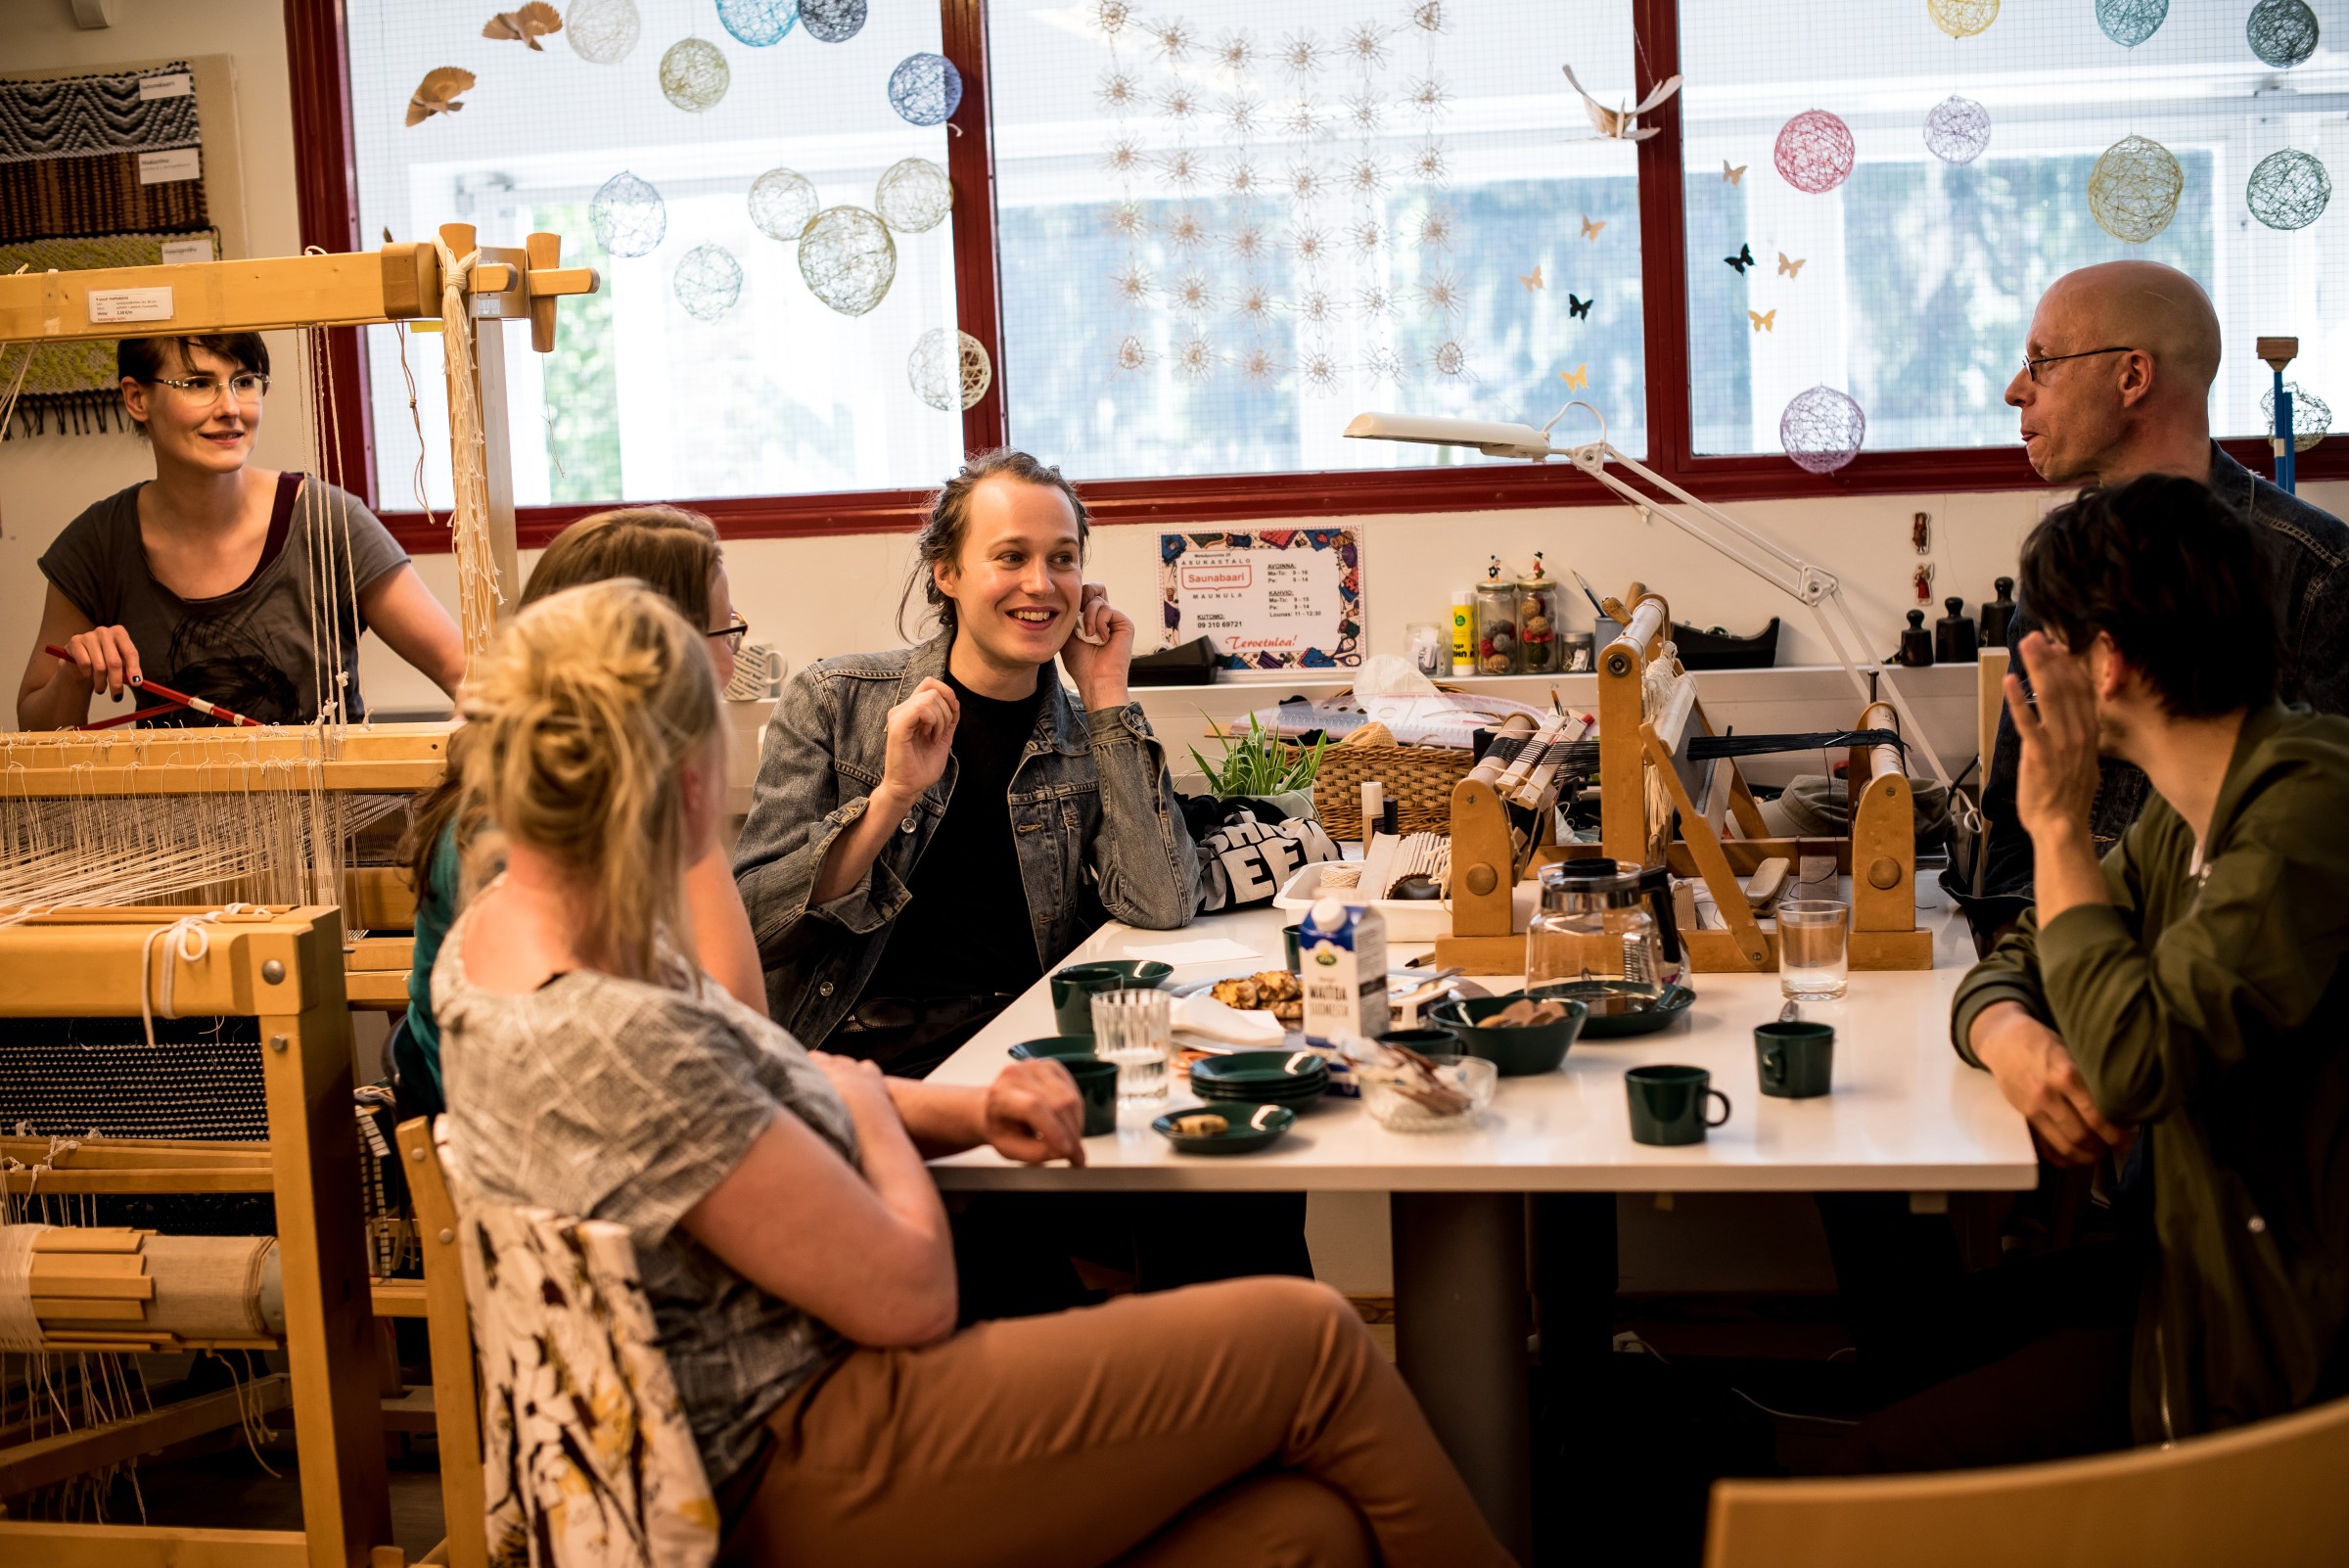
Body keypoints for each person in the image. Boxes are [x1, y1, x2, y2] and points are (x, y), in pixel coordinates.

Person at [435, 578, 1515, 1566]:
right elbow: (909, 1294)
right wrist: (870, 1107)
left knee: (1304, 1536)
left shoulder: (504, 947)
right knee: (1314, 1342)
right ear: (684, 782)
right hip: (790, 1449)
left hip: (729, 1423)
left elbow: (753, 1087)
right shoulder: (620, 1034)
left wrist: (971, 1108)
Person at [1845, 476, 2349, 1470]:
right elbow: (2025, 957)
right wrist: (2010, 1037)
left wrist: (2058, 828)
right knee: (1909, 1342)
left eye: (2048, 642)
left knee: (1873, 1456)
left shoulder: (2309, 805)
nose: (2033, 669)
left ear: (2105, 663)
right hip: (2191, 1276)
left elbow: (2131, 1063)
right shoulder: (2186, 809)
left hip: (2272, 1353)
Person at [735, 447, 1197, 1078]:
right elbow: (757, 926)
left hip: (1033, 1042)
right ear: (946, 571)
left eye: (1062, 558)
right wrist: (892, 797)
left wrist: (1106, 694)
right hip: (871, 1059)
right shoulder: (834, 699)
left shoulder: (1088, 728)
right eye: (1011, 557)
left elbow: (1161, 904)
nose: (1041, 584)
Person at [1972, 260, 2349, 926]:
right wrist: (2029, 969)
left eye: (2042, 362)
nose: (2015, 390)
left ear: (2132, 377)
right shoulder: (2066, 568)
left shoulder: (2317, 573)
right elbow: (2013, 835)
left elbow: (2320, 870)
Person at [19, 333, 464, 730]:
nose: (230, 408)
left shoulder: (327, 520)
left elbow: (467, 675)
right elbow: (36, 728)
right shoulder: (98, 543)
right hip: (169, 801)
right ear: (137, 399)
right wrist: (72, 674)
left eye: (245, 382)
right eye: (198, 384)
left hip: (330, 800)